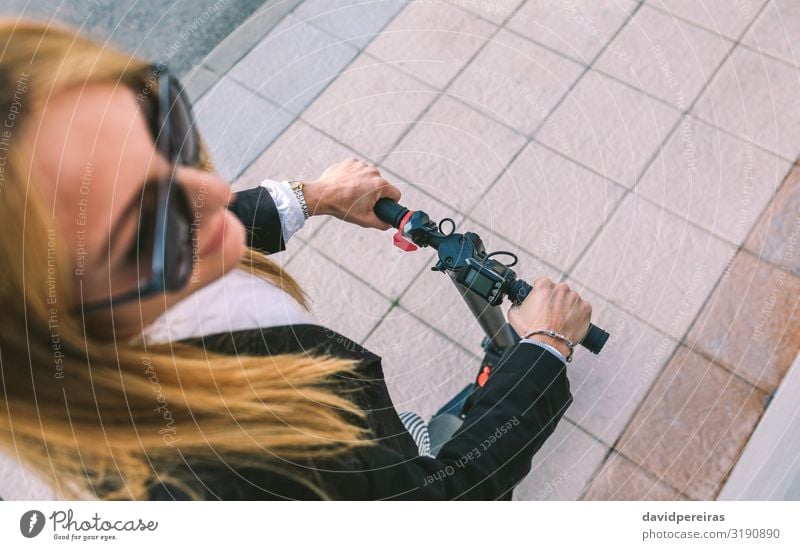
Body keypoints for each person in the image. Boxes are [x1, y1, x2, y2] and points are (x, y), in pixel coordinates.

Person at [0, 21, 592, 500]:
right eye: (138, 223)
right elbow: (443, 499)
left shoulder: (133, 297)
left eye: (161, 128)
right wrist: (543, 350)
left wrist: (311, 197)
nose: (210, 194)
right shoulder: (246, 460)